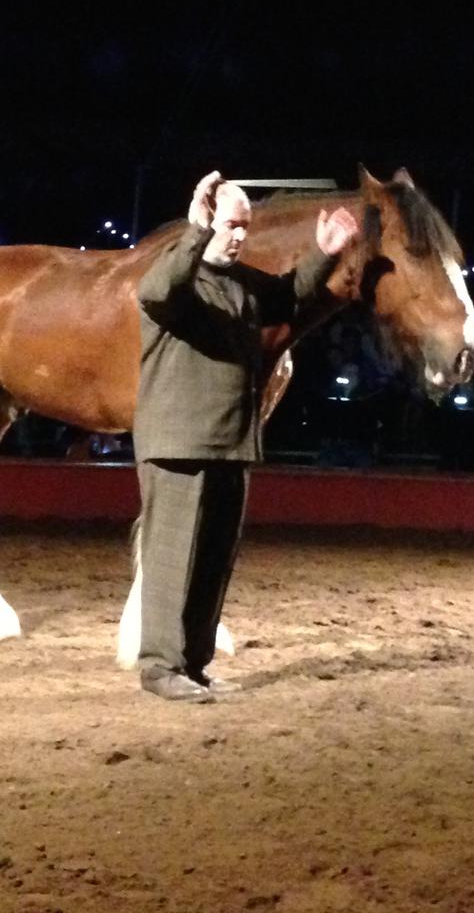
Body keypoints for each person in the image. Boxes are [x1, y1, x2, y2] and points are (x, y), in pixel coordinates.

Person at [133, 170, 359, 701]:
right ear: (208, 221)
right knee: (173, 560)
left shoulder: (243, 283)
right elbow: (159, 289)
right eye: (232, 225)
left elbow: (288, 297)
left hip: (231, 442)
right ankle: (160, 668)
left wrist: (323, 254)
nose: (239, 236)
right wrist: (193, 230)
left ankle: (193, 664)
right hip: (179, 445)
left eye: (245, 227)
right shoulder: (175, 279)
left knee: (212, 561)